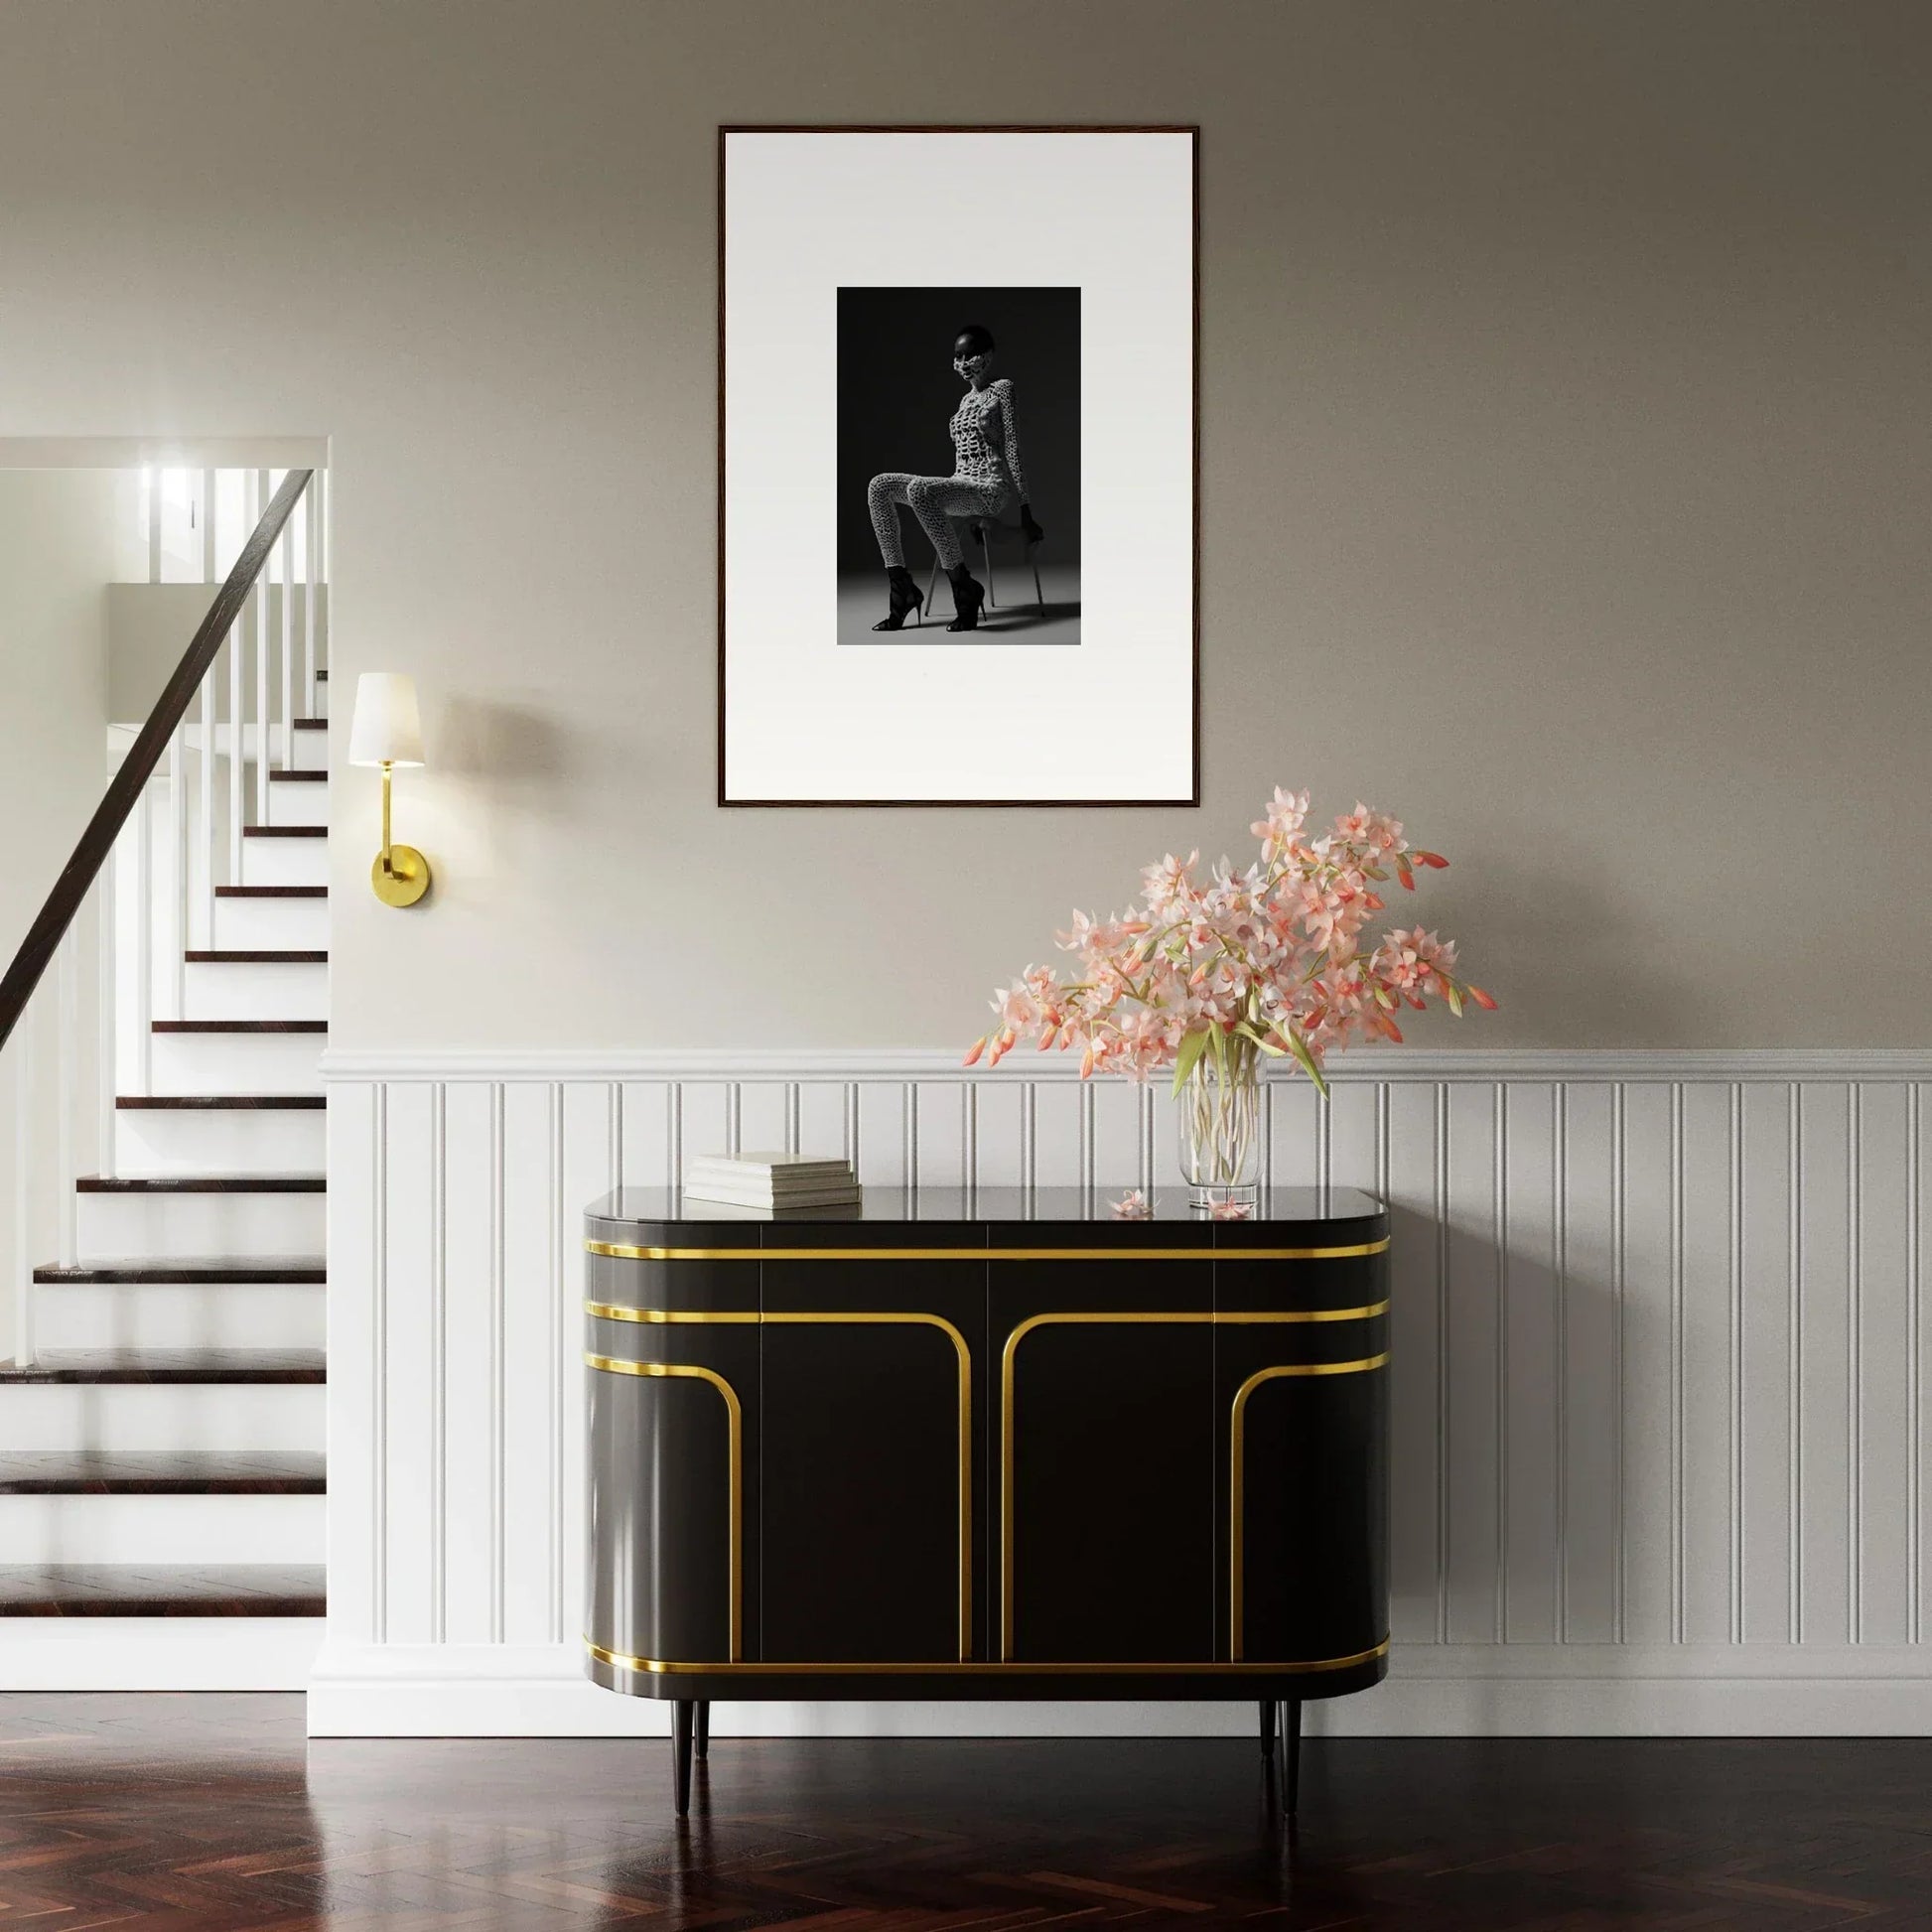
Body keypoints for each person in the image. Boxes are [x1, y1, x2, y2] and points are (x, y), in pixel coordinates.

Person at [865, 324, 1044, 632]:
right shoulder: (964, 402)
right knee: (879, 485)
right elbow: (963, 462)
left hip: (989, 489)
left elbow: (1013, 447)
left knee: (921, 490)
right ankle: (901, 589)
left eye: (970, 354)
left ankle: (963, 587)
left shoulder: (1002, 389)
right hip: (961, 484)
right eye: (958, 356)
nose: (963, 362)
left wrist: (1025, 509)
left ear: (988, 356)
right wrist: (955, 494)